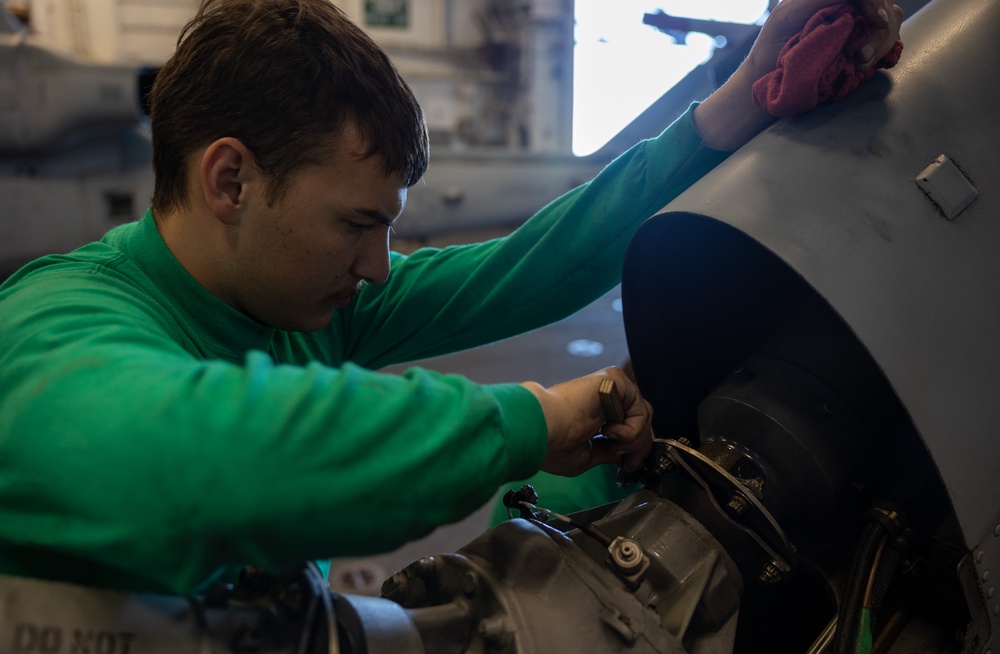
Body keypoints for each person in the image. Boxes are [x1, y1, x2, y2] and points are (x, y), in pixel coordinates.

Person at [0, 0, 902, 596]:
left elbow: (528, 265)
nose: (380, 268)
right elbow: (208, 453)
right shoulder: (53, 329)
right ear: (230, 181)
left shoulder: (295, 302)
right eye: (357, 223)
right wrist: (535, 414)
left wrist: (744, 100)